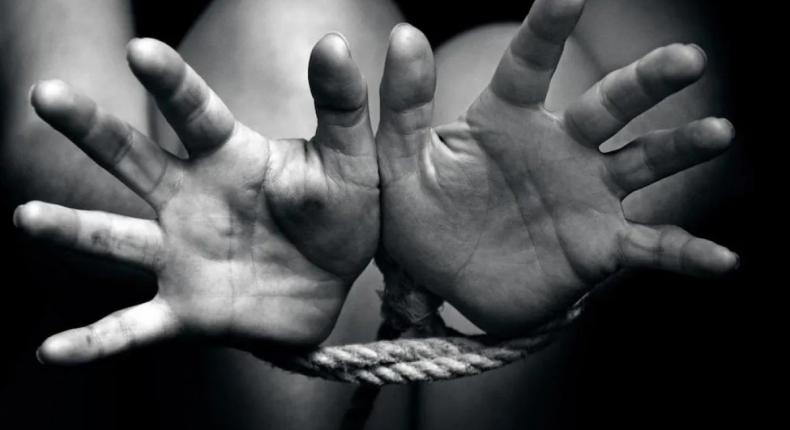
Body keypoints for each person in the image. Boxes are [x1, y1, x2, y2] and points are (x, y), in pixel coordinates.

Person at [1, 0, 741, 428]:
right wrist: (194, 220)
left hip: (520, 220)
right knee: (284, 21)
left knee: (516, 79)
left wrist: (585, 211)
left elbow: (690, 87)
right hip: (238, 217)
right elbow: (46, 122)